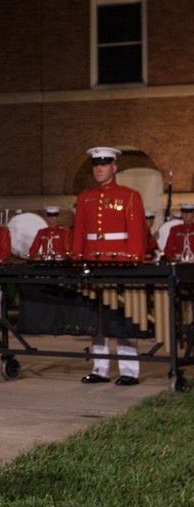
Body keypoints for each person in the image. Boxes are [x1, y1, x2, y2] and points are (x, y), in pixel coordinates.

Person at [73, 146, 145, 386]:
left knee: (122, 315)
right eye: (95, 165)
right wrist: (76, 258)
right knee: (98, 318)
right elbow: (80, 233)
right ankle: (100, 368)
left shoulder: (130, 196)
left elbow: (137, 234)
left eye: (103, 164)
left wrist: (135, 260)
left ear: (114, 167)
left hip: (120, 263)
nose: (99, 169)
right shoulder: (84, 198)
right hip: (92, 261)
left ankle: (128, 370)